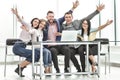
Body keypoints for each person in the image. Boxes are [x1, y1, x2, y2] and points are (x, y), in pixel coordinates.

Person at [61, 4, 105, 72]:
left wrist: (96, 11)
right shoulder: (63, 26)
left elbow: (87, 18)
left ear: (72, 18)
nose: (68, 18)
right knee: (70, 53)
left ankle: (84, 69)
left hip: (79, 45)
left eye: (69, 17)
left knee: (81, 51)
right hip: (70, 46)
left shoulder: (76, 23)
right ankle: (78, 69)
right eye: (66, 17)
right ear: (64, 18)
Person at [11, 8, 52, 77]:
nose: (36, 23)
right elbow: (21, 20)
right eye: (35, 21)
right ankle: (20, 67)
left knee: (35, 57)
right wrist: (17, 14)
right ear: (32, 21)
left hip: (23, 46)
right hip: (18, 46)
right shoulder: (28, 25)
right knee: (35, 54)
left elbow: (35, 36)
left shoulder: (34, 30)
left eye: (37, 22)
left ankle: (19, 68)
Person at [43, 0, 79, 73]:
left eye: (52, 16)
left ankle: (66, 68)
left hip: (60, 44)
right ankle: (57, 69)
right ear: (46, 17)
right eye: (50, 16)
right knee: (53, 51)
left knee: (67, 50)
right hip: (51, 46)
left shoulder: (57, 22)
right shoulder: (44, 24)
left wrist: (73, 8)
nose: (51, 18)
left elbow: (64, 17)